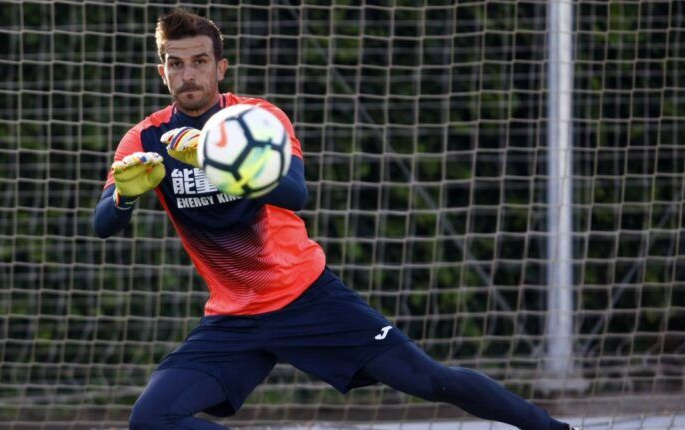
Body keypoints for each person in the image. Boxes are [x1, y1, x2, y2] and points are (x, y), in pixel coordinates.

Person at [92, 8, 583, 430]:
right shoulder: (145, 139)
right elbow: (103, 225)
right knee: (150, 419)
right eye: (175, 64)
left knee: (431, 380)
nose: (188, 74)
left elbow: (295, 192)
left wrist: (222, 157)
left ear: (220, 68)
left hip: (308, 297)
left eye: (200, 61)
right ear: (163, 72)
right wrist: (127, 197)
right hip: (233, 318)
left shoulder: (255, 120)